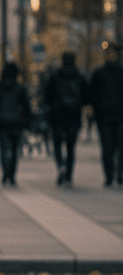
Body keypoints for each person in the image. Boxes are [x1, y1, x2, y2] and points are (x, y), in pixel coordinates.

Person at [43, 51, 86, 186]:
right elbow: (87, 96)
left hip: (57, 116)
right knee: (71, 146)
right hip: (74, 115)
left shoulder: (55, 76)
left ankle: (61, 165)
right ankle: (69, 175)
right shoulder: (79, 77)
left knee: (57, 144)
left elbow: (47, 96)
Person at [0, 62, 31, 186]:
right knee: (15, 150)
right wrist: (27, 122)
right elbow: (27, 108)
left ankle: (5, 172)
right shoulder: (20, 89)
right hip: (17, 123)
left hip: (2, 123)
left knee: (4, 148)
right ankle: (12, 174)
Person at [89, 43, 123, 186]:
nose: (110, 56)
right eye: (108, 53)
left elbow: (91, 95)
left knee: (119, 147)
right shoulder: (99, 73)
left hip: (117, 116)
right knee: (108, 148)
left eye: (112, 53)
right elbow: (92, 94)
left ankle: (118, 174)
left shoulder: (115, 72)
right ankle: (110, 175)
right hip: (105, 117)